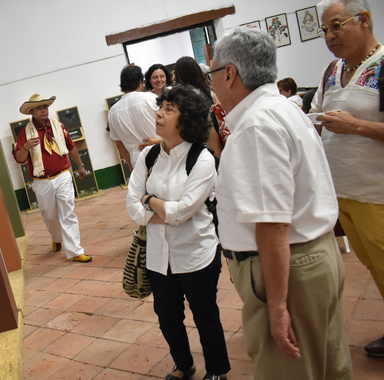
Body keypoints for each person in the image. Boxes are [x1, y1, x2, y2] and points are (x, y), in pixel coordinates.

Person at [210, 26, 352, 379]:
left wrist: (277, 305)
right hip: (313, 255)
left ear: (230, 74)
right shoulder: (283, 109)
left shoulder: (256, 125)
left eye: (211, 72)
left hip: (290, 271)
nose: (211, 82)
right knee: (328, 365)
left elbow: (272, 223)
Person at [127, 85, 230, 380]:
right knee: (168, 319)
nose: (159, 113)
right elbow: (132, 205)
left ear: (186, 121)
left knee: (205, 315)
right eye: (162, 107)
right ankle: (184, 364)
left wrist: (149, 203)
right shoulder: (148, 156)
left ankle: (217, 371)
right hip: (159, 257)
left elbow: (182, 211)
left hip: (196, 252)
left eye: (169, 109)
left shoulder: (203, 159)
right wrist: (156, 212)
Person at [312, 0, 384, 358]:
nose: (329, 35)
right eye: (325, 29)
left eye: (336, 25)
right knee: (373, 266)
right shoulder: (331, 71)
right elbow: (314, 116)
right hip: (343, 195)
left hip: (378, 194)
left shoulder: (383, 67)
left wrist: (355, 126)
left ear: (364, 20)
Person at [14, 94, 92, 262]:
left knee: (68, 213)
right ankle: (56, 238)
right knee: (50, 216)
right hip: (41, 181)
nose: (44, 110)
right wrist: (26, 147)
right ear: (32, 112)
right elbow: (20, 159)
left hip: (63, 175)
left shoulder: (58, 126)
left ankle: (76, 251)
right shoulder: (25, 133)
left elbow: (71, 147)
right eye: (40, 108)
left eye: (45, 107)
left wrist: (80, 165)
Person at [108, 65, 160, 171]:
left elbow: (118, 144)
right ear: (140, 82)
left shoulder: (113, 111)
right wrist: (159, 140)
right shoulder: (151, 98)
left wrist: (130, 164)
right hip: (161, 154)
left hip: (138, 162)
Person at [173, 56, 223, 157]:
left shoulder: (180, 97)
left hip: (193, 139)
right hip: (214, 133)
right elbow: (221, 113)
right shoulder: (209, 92)